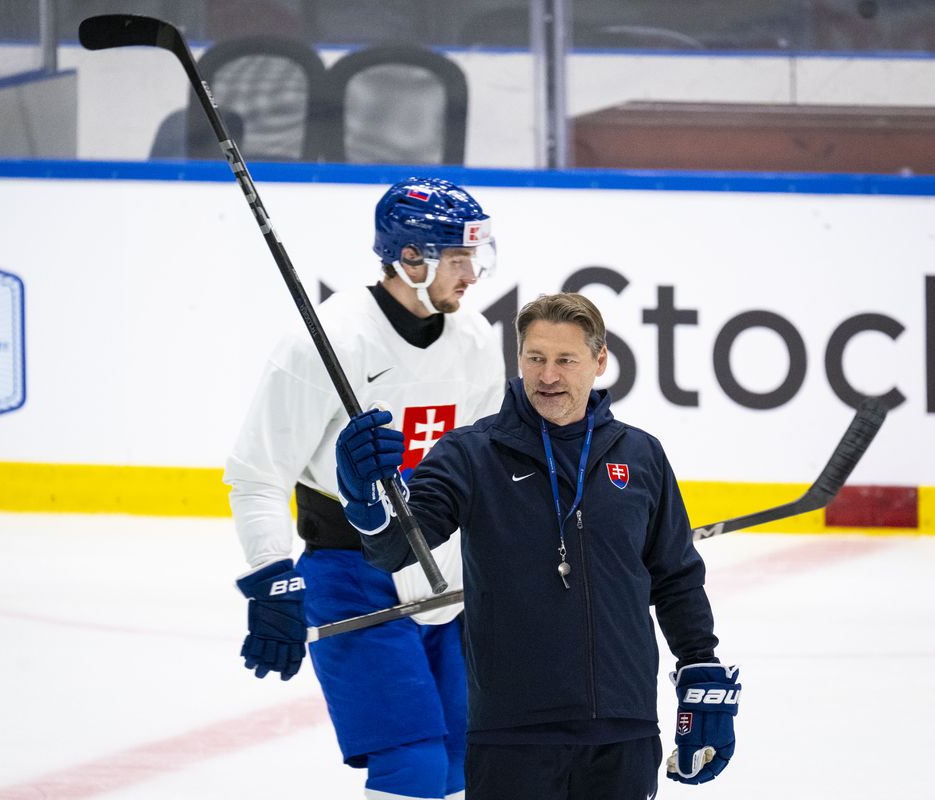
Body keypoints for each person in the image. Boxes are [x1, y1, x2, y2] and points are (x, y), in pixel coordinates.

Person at [335, 292, 741, 799]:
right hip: (512, 735)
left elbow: (676, 575)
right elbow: (396, 549)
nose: (548, 376)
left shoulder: (641, 456)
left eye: (565, 360)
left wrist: (700, 662)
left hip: (623, 728)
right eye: (535, 358)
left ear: (599, 360)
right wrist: (365, 504)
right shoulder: (470, 454)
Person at [223, 177, 506, 800]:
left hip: (452, 574)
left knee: (464, 761)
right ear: (411, 258)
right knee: (413, 767)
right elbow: (257, 474)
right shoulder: (328, 342)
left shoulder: (479, 341)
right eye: (459, 259)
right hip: (354, 573)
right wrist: (273, 575)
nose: (473, 275)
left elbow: (486, 464)